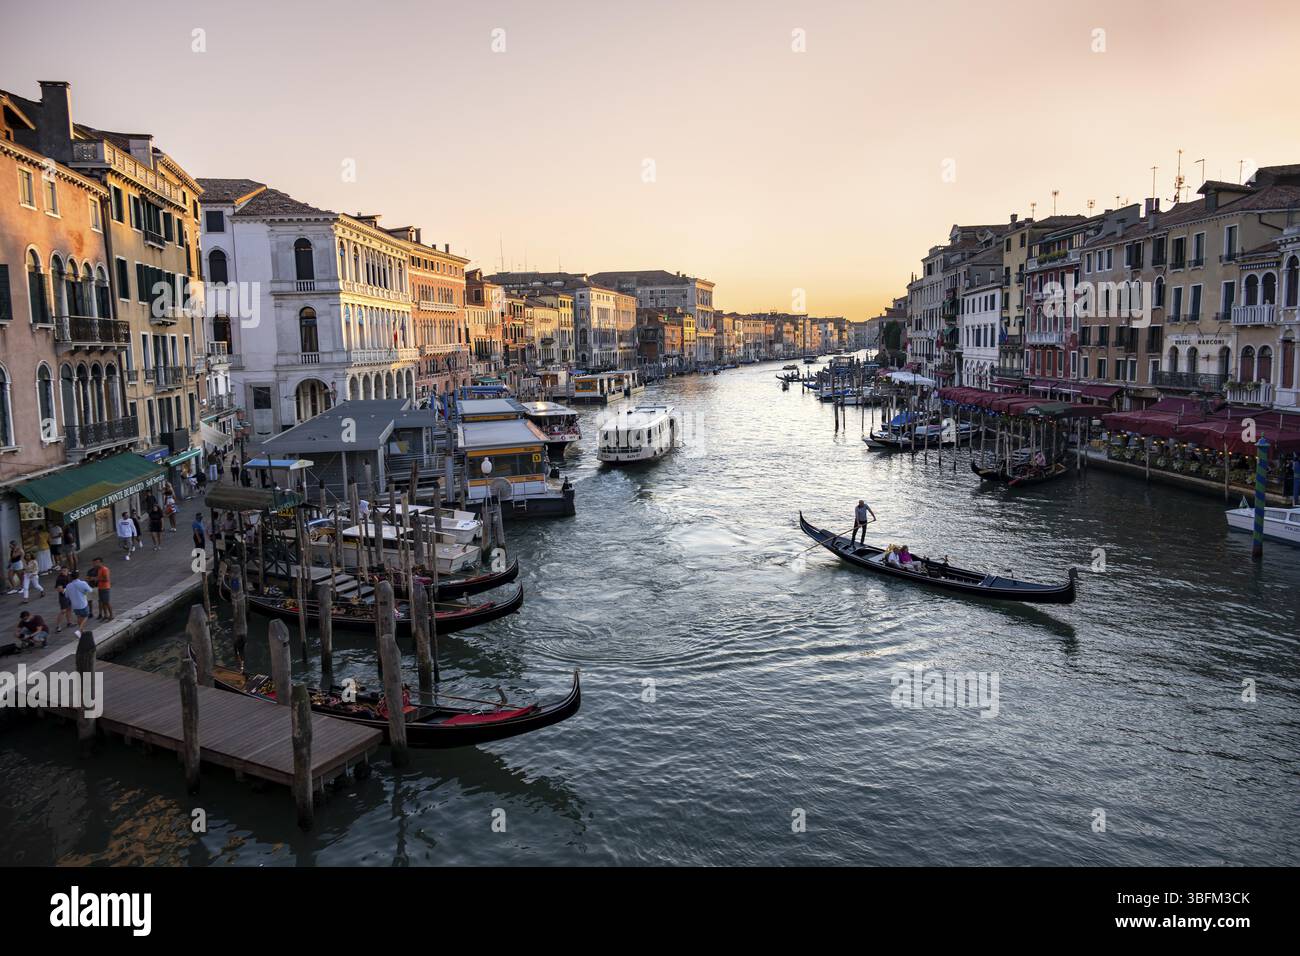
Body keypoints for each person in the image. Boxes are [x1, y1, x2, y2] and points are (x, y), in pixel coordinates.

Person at [53, 565, 74, 633]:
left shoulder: (69, 576)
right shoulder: (60, 578)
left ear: (68, 570)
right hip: (63, 596)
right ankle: (58, 626)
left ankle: (69, 622)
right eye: (62, 571)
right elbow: (59, 589)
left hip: (69, 595)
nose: (63, 572)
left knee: (69, 609)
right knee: (63, 611)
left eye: (65, 570)